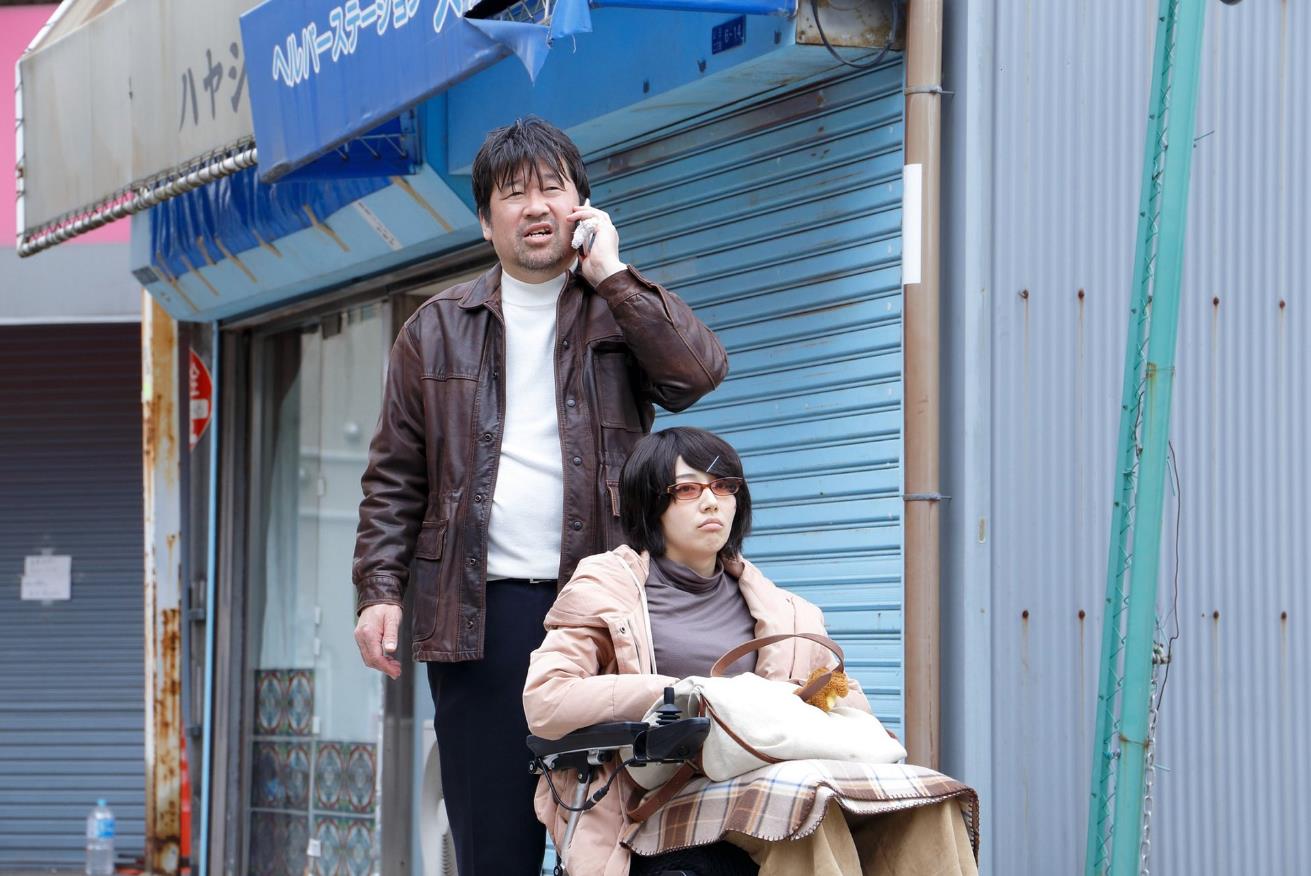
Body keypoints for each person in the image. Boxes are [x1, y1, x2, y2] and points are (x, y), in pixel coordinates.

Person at [351, 118, 728, 875]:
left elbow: (696, 374)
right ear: (484, 220)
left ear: (581, 205)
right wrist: (379, 590)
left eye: (552, 188)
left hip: (603, 616)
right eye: (513, 193)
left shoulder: (617, 310)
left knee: (624, 839)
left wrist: (613, 274)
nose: (535, 206)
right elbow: (395, 475)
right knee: (494, 844)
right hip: (478, 618)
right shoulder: (434, 330)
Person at [523, 427, 979, 876]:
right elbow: (547, 698)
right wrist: (679, 693)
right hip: (652, 800)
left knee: (929, 800)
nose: (711, 502)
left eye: (724, 486)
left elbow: (849, 706)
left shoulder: (788, 612)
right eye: (688, 489)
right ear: (649, 502)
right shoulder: (607, 589)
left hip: (779, 781)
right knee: (804, 806)